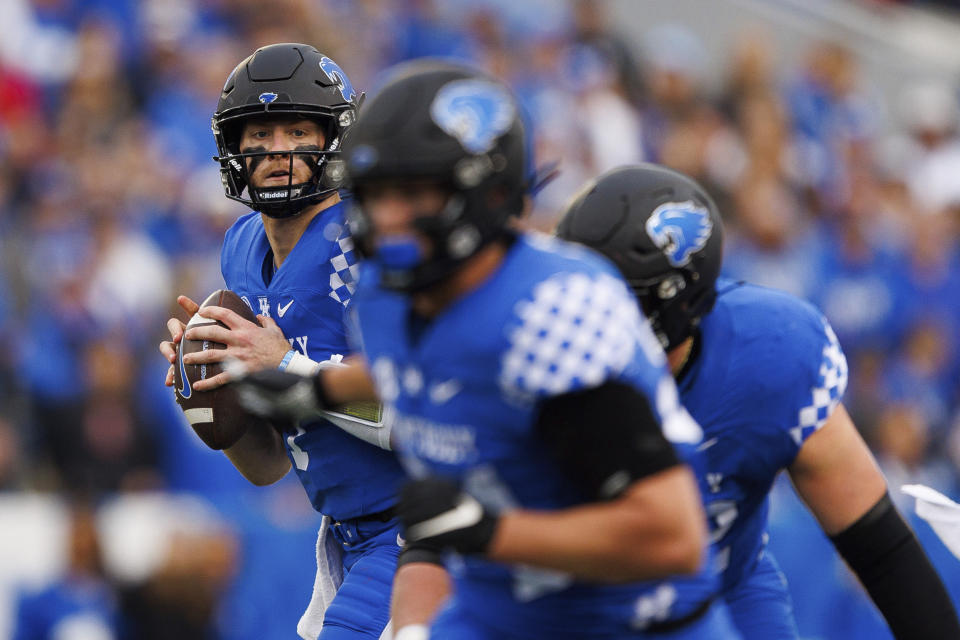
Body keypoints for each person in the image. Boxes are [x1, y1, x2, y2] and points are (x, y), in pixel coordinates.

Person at [233, 59, 742, 639]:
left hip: (626, 615)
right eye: (375, 194)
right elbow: (428, 369)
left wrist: (491, 534)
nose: (388, 219)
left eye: (414, 193)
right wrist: (313, 387)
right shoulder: (388, 289)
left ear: (488, 192)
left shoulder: (553, 314)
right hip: (494, 601)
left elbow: (671, 538)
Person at [555, 163, 960, 640]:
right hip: (555, 607)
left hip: (721, 595)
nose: (586, 321)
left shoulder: (771, 355)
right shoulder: (520, 351)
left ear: (680, 306)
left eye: (617, 302)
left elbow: (878, 544)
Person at [157, 43, 420, 640]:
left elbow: (428, 418)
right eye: (260, 134)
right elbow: (268, 464)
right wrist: (209, 393)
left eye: (298, 130)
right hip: (345, 537)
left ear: (335, 136)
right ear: (233, 147)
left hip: (423, 523)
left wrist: (287, 367)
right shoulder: (242, 249)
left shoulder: (371, 243)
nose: (276, 151)